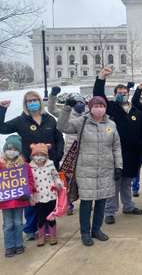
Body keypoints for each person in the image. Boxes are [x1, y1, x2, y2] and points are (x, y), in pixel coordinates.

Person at [57, 96, 123, 246]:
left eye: (102, 105)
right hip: (86, 170)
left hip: (106, 169)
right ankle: (85, 232)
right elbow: (62, 127)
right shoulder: (82, 121)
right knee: (86, 203)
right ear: (90, 107)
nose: (99, 108)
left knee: (101, 202)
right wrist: (67, 108)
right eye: (96, 105)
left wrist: (119, 166)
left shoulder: (111, 124)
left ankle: (96, 230)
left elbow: (116, 146)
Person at [0, 92, 64, 241]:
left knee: (49, 199)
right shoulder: (21, 121)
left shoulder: (49, 119)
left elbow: (59, 138)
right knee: (32, 198)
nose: (32, 103)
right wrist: (2, 109)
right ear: (25, 103)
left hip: (49, 165)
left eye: (35, 100)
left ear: (40, 101)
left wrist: (58, 155)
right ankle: (31, 228)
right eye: (29, 101)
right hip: (30, 167)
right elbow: (2, 128)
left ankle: (49, 227)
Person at [94, 67, 142, 224]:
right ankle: (110, 211)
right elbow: (98, 95)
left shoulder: (136, 112)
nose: (122, 94)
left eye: (124, 92)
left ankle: (128, 206)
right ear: (115, 94)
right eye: (119, 92)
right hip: (114, 154)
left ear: (128, 94)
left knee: (127, 182)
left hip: (132, 154)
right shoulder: (110, 108)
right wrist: (101, 77)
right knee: (114, 183)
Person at [48, 87, 87, 215]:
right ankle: (68, 203)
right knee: (67, 178)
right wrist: (53, 96)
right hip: (70, 151)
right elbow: (52, 110)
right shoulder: (66, 112)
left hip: (85, 150)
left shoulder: (87, 114)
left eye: (81, 102)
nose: (79, 105)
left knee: (83, 179)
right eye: (76, 102)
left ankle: (86, 202)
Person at [0, 135, 35, 257]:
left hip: (20, 200)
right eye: (9, 149)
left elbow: (30, 180)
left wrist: (28, 191)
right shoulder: (1, 165)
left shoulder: (25, 165)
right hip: (5, 202)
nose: (11, 151)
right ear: (4, 150)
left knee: (19, 223)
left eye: (15, 149)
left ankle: (19, 244)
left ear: (19, 151)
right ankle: (9, 247)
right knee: (8, 224)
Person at [30, 143, 63, 247]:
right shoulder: (30, 167)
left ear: (46, 155)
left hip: (51, 195)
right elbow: (29, 182)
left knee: (51, 217)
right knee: (40, 218)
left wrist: (58, 183)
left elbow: (55, 176)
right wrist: (30, 194)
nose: (39, 157)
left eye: (42, 154)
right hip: (39, 196)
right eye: (36, 154)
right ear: (32, 155)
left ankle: (53, 235)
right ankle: (41, 236)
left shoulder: (50, 164)